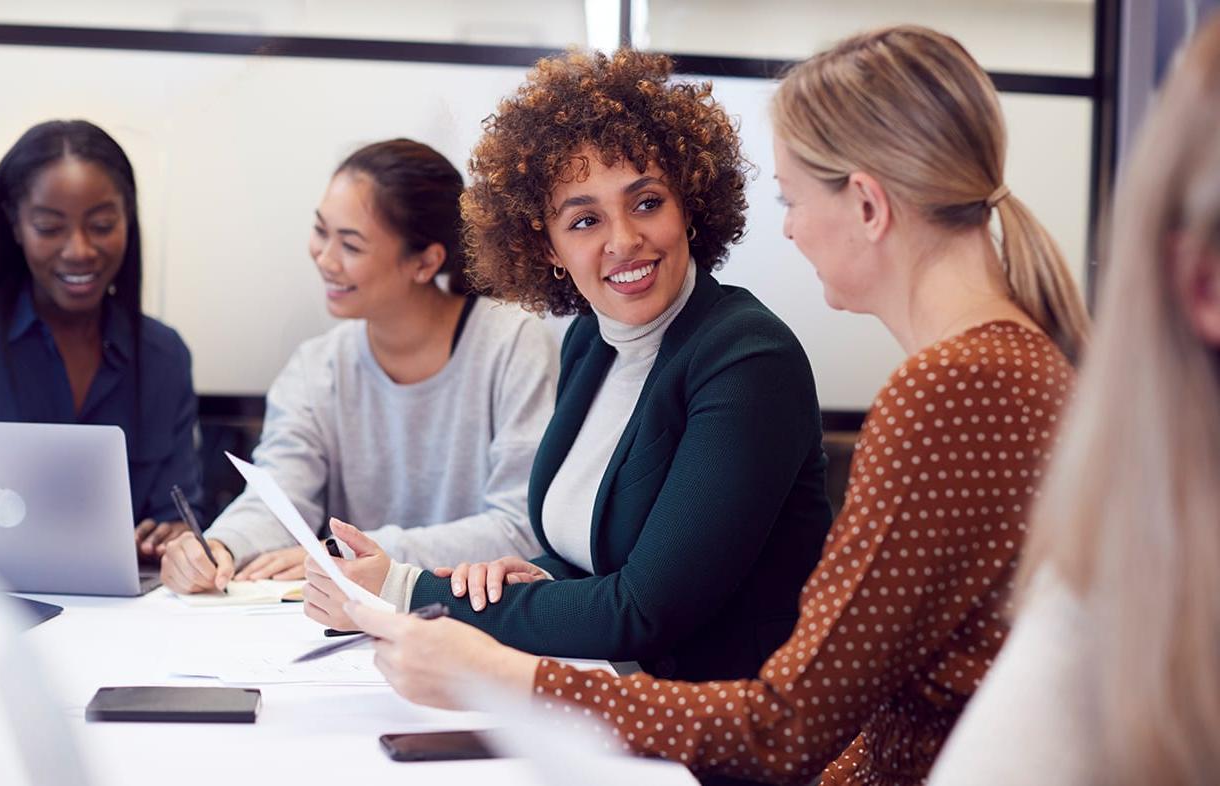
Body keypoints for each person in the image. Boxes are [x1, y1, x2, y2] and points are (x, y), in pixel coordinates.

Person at [341, 26, 1089, 786]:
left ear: (865, 204)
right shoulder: (994, 371)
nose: (790, 228)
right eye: (585, 218)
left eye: (791, 200)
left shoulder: (951, 392)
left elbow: (785, 724)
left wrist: (504, 672)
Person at [304, 49, 835, 702]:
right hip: (603, 700)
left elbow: (644, 607)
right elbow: (595, 556)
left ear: (689, 206)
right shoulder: (591, 340)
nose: (623, 239)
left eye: (646, 202)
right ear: (548, 247)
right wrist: (522, 577)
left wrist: (409, 590)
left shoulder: (748, 360)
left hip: (718, 737)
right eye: (584, 219)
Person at [929, 16, 1220, 786]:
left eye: (792, 197)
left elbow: (793, 710)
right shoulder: (1116, 608)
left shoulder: (962, 377)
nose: (788, 230)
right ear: (1206, 286)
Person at [158, 139, 558, 593]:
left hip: (476, 616)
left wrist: (352, 554)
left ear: (426, 262)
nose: (325, 259)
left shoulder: (513, 344)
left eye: (350, 244)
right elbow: (280, 496)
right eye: (320, 231)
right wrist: (219, 547)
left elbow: (519, 526)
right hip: (349, 623)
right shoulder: (316, 367)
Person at [0, 120, 202, 560]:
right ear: (15, 226)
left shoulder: (163, 357)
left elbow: (183, 511)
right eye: (50, 228)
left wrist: (176, 540)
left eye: (102, 224)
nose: (79, 250)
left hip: (132, 618)